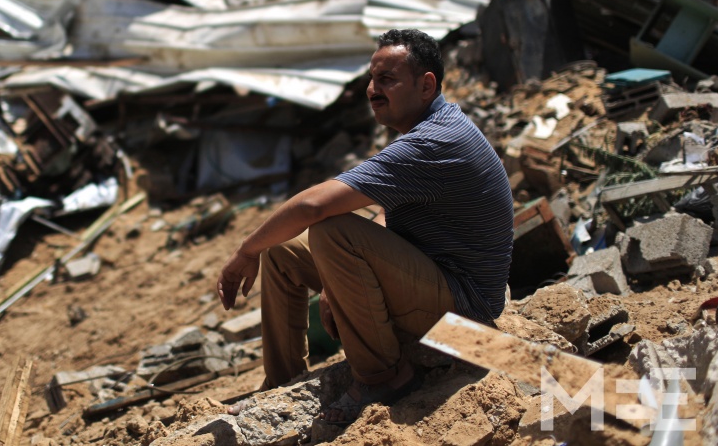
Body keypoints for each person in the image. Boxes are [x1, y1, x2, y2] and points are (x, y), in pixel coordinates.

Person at [216, 28, 513, 425]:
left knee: (332, 232)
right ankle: (281, 382)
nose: (373, 90)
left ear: (426, 85)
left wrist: (245, 250)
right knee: (282, 248)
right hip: (435, 283)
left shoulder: (433, 142)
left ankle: (384, 377)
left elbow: (314, 204)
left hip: (464, 314)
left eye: (387, 79)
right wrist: (338, 281)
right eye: (372, 79)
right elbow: (391, 211)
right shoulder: (433, 128)